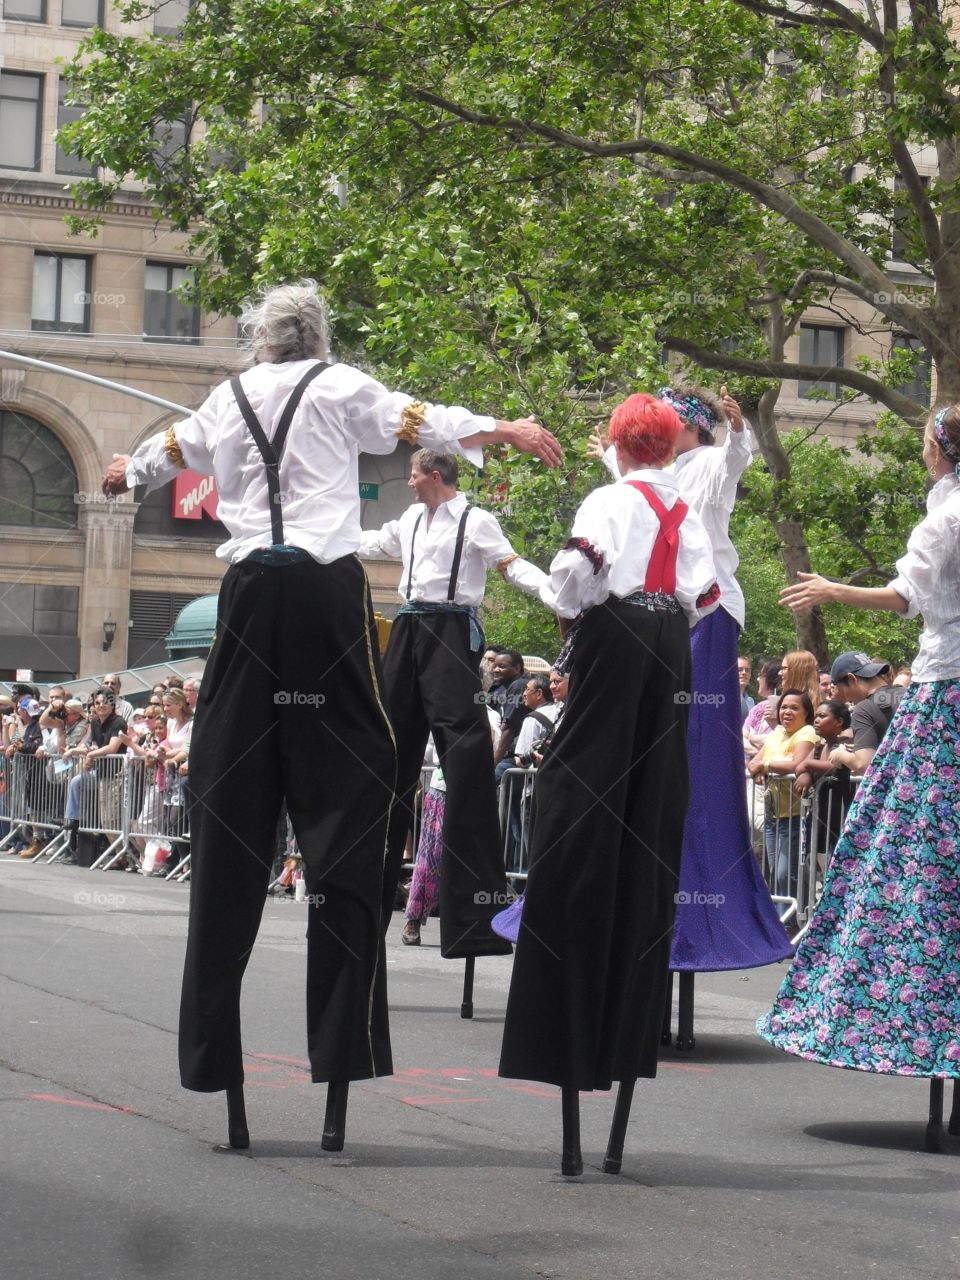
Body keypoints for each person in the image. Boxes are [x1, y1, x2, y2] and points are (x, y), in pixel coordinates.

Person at [100, 278, 561, 1150]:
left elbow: (164, 449)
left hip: (247, 602)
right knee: (349, 809)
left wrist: (129, 469)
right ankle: (341, 1065)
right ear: (318, 337)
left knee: (229, 806)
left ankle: (216, 1069)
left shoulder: (223, 396)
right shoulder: (338, 385)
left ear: (259, 342)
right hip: (321, 601)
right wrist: (502, 428)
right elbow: (417, 418)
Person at [498, 392, 720, 1174]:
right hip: (669, 652)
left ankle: (561, 1022)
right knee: (648, 817)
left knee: (575, 813)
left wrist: (561, 600)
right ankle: (622, 1042)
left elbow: (571, 577)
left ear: (622, 448)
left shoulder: (610, 499)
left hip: (617, 641)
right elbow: (703, 598)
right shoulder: (679, 506)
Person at [758, 403, 960, 1085]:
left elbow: (906, 596)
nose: (921, 453)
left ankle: (903, 1014)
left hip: (945, 695)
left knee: (914, 849)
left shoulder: (947, 516)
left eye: (925, 444)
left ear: (941, 448)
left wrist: (831, 589)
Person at [593, 384, 792, 975]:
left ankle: (701, 894)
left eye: (668, 418)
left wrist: (738, 432)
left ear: (692, 427)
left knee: (696, 745)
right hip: (666, 616)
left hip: (706, 616)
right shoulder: (664, 469)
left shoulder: (709, 461)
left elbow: (733, 466)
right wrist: (609, 456)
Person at [359, 449, 548, 958]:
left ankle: (475, 914)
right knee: (389, 748)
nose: (410, 481)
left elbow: (512, 567)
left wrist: (556, 594)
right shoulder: (409, 520)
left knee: (463, 757)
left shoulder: (476, 520)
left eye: (415, 474)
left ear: (435, 476)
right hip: (408, 627)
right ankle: (363, 910)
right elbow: (371, 541)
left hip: (449, 631)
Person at [747, 690, 817, 900]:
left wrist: (765, 766)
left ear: (806, 713)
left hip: (795, 816)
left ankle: (799, 916)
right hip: (773, 816)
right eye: (784, 707)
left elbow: (796, 765)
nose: (787, 712)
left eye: (794, 708)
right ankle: (782, 920)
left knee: (785, 873)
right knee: (774, 873)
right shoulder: (777, 733)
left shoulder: (807, 733)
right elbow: (753, 762)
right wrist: (758, 769)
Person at [828, 651, 904, 776]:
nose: (847, 698)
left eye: (841, 689)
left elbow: (864, 764)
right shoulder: (908, 694)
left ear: (852, 679)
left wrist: (841, 755)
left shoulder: (864, 709)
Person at [738, 656, 755, 722]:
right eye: (740, 669)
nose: (744, 673)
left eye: (747, 670)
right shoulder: (723, 698)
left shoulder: (751, 701)